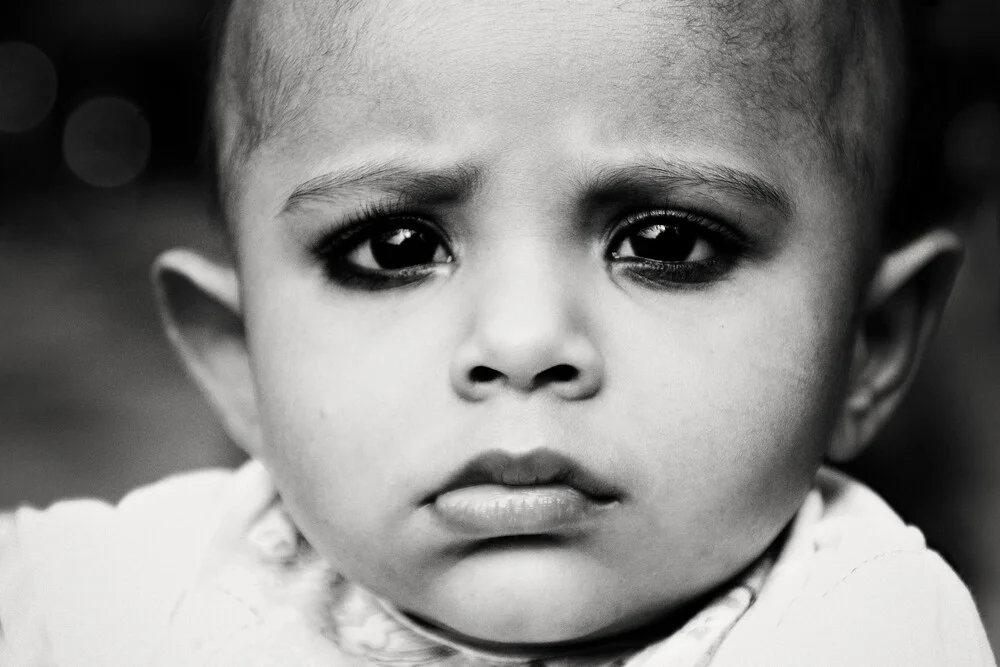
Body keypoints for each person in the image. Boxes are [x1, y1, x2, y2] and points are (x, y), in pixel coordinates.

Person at [1, 0, 994, 664]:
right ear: (238, 359)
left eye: (665, 241)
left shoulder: (869, 627)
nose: (521, 342)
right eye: (394, 246)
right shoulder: (121, 594)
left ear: (868, 346)